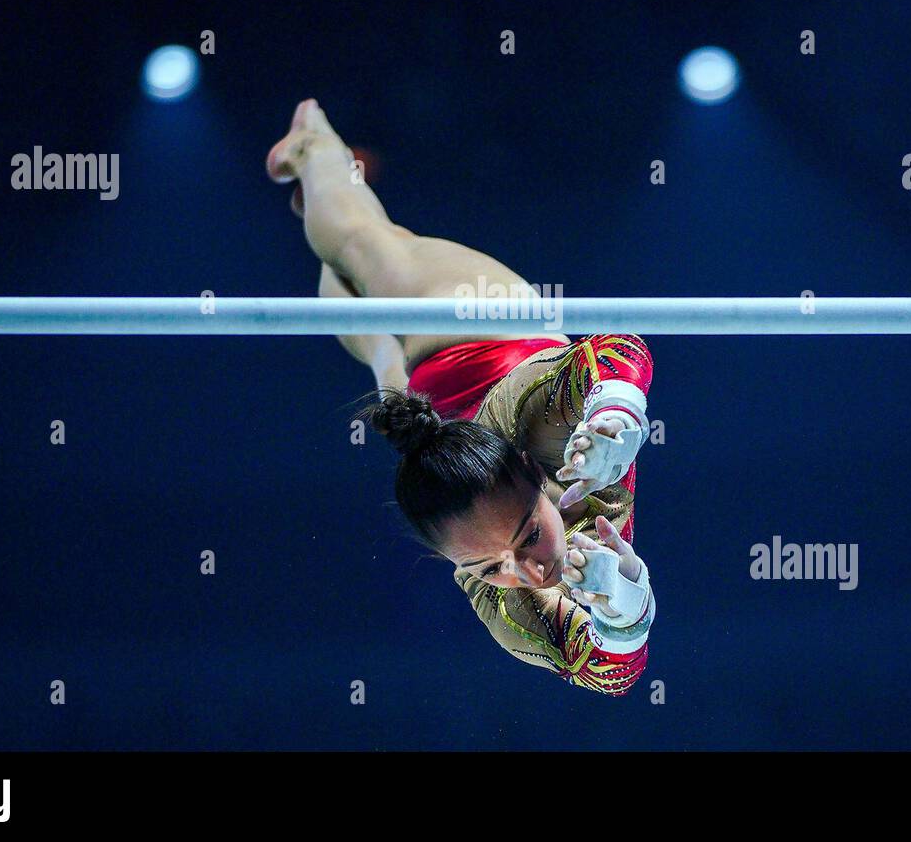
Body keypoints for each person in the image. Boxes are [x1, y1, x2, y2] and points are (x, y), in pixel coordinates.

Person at [267, 99, 656, 695]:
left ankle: (318, 171)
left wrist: (613, 627)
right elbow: (615, 353)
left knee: (361, 293)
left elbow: (601, 675)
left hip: (428, 401)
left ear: (452, 562)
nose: (528, 571)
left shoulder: (492, 590)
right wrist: (624, 609)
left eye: (490, 565)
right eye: (527, 535)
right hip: (484, 321)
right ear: (529, 470)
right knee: (354, 252)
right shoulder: (552, 435)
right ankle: (318, 155)